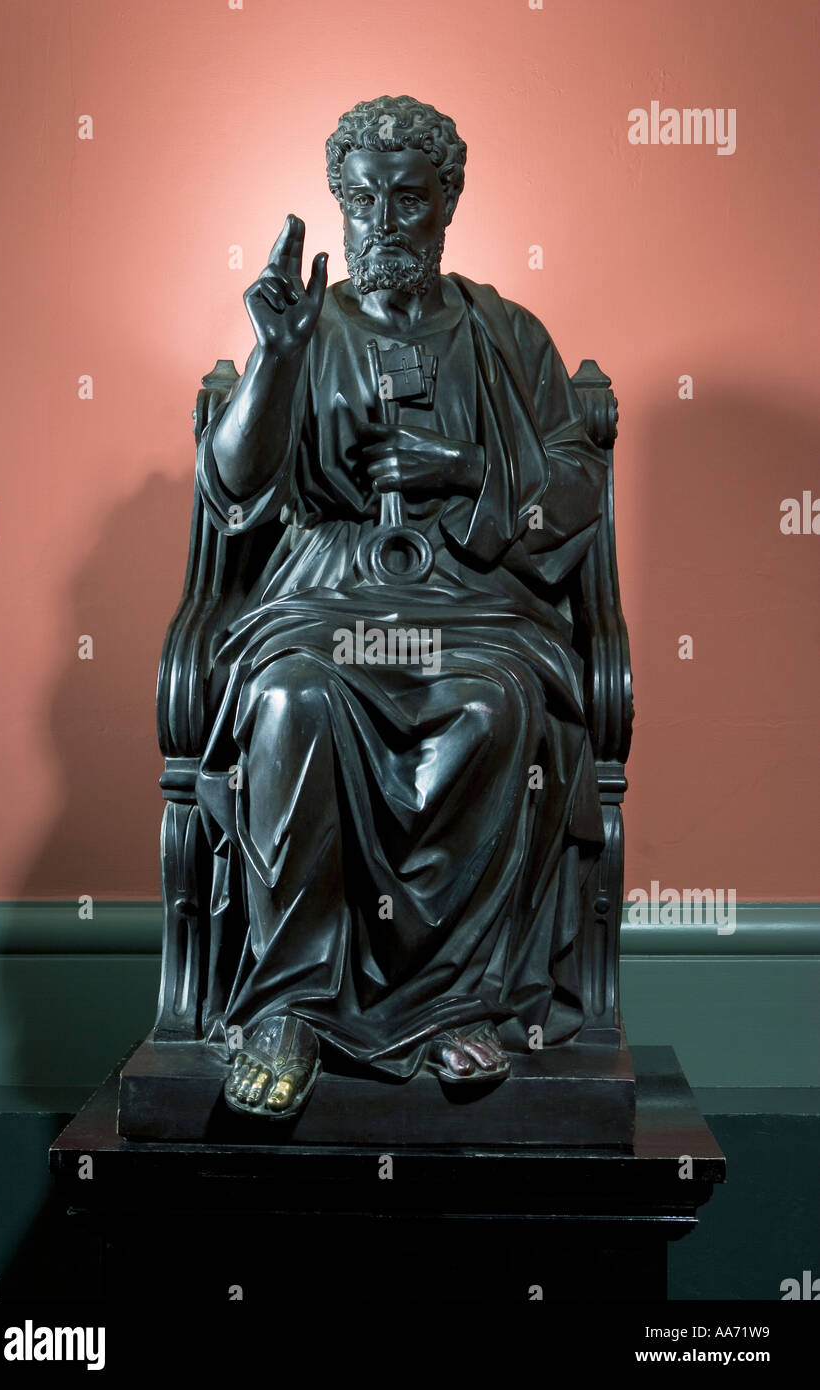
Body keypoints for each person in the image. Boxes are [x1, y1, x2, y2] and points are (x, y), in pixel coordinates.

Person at [193, 95, 609, 1118]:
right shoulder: (305, 325)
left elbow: (574, 479)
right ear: (339, 204)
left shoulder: (506, 333)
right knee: (292, 701)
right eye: (365, 200)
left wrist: (468, 468)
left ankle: (454, 1003)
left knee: (493, 706)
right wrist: (276, 362)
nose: (386, 223)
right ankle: (288, 1004)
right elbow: (233, 484)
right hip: (325, 595)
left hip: (465, 597)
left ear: (447, 204)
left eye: (410, 202)